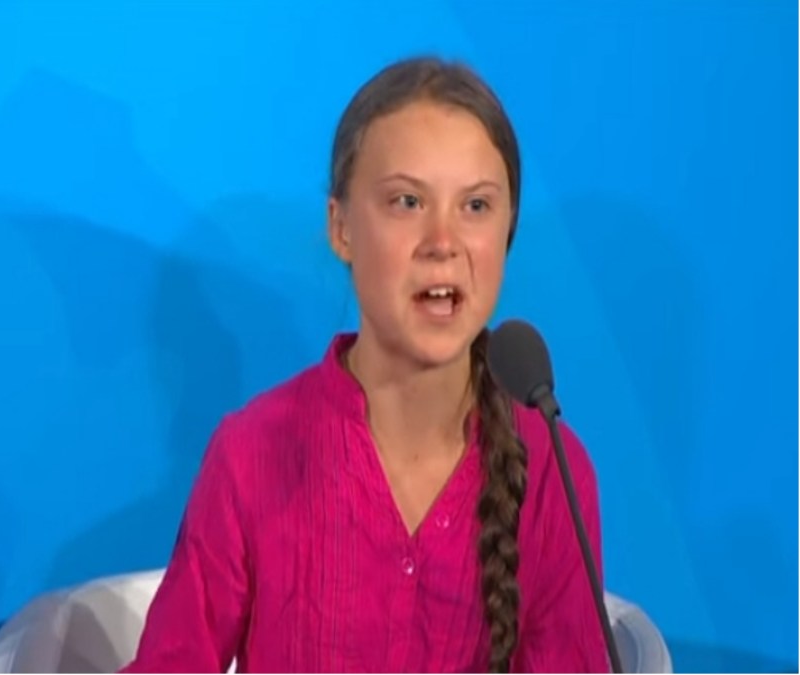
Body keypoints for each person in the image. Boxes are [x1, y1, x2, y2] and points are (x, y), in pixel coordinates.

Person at [122, 56, 609, 673]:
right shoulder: (252, 453)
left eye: (476, 206)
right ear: (341, 227)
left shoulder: (553, 468)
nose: (443, 242)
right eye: (407, 201)